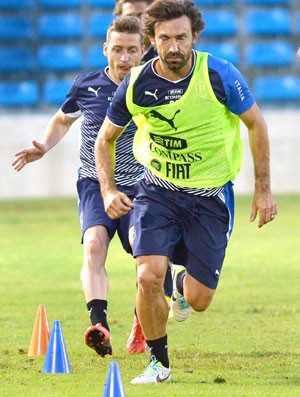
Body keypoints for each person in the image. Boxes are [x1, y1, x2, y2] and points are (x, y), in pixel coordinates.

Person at [94, 0, 278, 384]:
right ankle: (159, 364)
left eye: (181, 38)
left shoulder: (220, 75)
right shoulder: (137, 83)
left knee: (199, 300)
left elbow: (256, 125)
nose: (173, 46)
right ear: (151, 41)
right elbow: (105, 139)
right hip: (156, 192)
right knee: (147, 276)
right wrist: (108, 189)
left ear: (195, 36)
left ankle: (180, 285)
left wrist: (263, 190)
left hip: (210, 197)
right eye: (164, 39)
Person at [12, 16, 147, 357]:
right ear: (105, 49)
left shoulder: (153, 87)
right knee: (93, 247)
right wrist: (44, 144)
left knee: (148, 255)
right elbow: (62, 118)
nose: (124, 58)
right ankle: (99, 324)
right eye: (117, 49)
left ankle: (144, 322)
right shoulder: (86, 85)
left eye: (132, 50)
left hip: (142, 185)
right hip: (94, 184)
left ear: (143, 51)